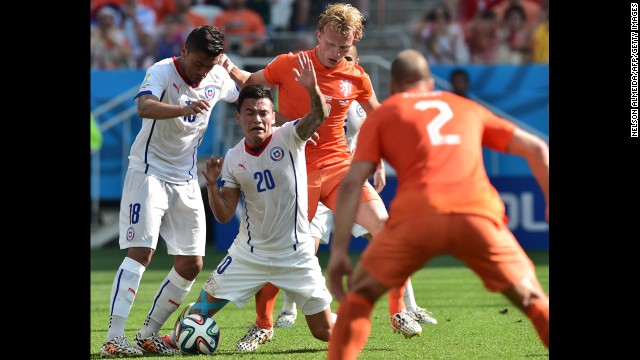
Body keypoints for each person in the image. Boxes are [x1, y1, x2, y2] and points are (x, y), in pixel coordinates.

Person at [218, 3, 429, 342]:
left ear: (354, 43)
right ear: (319, 35)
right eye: (329, 43)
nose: (334, 52)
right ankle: (264, 324)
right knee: (281, 252)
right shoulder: (290, 63)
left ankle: (398, 312)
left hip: (339, 167)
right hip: (295, 171)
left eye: (342, 47)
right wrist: (225, 63)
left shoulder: (356, 75)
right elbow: (249, 82)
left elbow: (378, 117)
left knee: (385, 227)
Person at [327, 49, 549, 359]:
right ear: (430, 83)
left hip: (417, 218)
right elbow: (538, 149)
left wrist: (338, 252)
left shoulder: (384, 114)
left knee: (358, 302)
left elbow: (352, 184)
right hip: (476, 215)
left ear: (392, 87)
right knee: (533, 299)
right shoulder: (465, 106)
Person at [162, 51, 334, 353]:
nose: (258, 118)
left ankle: (352, 319)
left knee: (326, 333)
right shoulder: (233, 158)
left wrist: (312, 88)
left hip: (295, 255)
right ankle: (168, 340)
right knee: (195, 316)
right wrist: (213, 186)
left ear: (273, 116)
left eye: (264, 112)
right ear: (238, 116)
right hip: (248, 255)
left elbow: (318, 117)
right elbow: (225, 215)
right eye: (251, 112)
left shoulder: (289, 137)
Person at [99, 25, 239, 358]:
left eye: (209, 65)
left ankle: (148, 333)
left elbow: (245, 91)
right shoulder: (161, 70)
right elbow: (144, 107)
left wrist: (233, 69)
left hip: (186, 178)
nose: (203, 72)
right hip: (148, 172)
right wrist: (184, 108)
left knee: (192, 263)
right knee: (141, 252)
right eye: (199, 64)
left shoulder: (216, 76)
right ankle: (113, 338)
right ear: (185, 52)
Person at [274, 45, 437, 329]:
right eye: (338, 56)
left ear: (356, 62)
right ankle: (288, 309)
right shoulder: (322, 93)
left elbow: (372, 132)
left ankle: (407, 307)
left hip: (344, 176)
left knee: (384, 233)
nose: (341, 61)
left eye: (348, 57)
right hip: (314, 174)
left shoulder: (357, 97)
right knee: (302, 247)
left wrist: (381, 162)